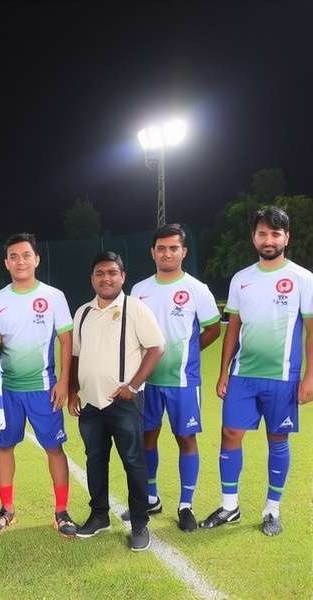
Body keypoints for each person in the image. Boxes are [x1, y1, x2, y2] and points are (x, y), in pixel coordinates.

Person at [201, 206, 313, 536]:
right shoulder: (242, 279)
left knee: (277, 440)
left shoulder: (303, 279)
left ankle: (272, 510)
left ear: (286, 237)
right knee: (230, 434)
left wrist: (309, 377)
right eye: (262, 233)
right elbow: (232, 328)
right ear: (253, 237)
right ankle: (230, 506)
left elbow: (311, 330)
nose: (268, 239)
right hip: (242, 376)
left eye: (275, 233)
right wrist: (223, 373)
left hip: (283, 378)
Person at [0, 233, 76, 536]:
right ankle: (7, 510)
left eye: (25, 255)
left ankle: (61, 512)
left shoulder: (53, 296)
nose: (20, 261)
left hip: (44, 388)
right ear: (6, 263)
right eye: (13, 256)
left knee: (54, 448)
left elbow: (66, 340)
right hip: (7, 389)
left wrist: (64, 382)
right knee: (4, 446)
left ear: (36, 259)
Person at [68, 251, 164, 551]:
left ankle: (139, 523)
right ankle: (99, 516)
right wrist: (73, 391)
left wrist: (133, 386)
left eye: (112, 272)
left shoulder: (135, 308)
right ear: (92, 278)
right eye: (100, 273)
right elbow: (75, 355)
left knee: (134, 462)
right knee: (95, 461)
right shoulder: (83, 312)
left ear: (123, 276)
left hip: (123, 403)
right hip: (91, 404)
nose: (106, 278)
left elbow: (156, 348)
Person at [127, 224, 220, 531]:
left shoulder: (197, 289)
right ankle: (151, 497)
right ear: (153, 252)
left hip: (183, 382)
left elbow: (212, 329)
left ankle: (186, 505)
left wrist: (189, 354)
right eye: (161, 248)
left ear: (184, 252)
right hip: (147, 381)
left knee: (186, 439)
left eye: (173, 248)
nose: (167, 253)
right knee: (146, 438)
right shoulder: (139, 290)